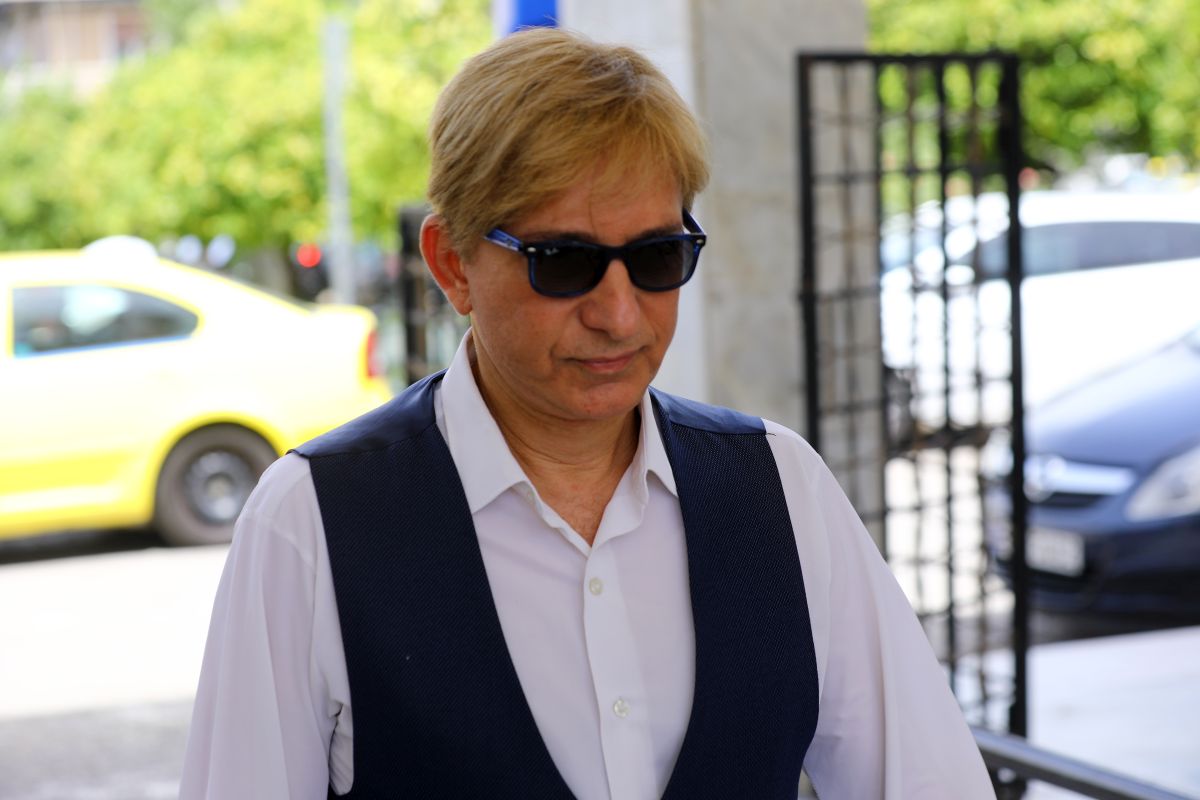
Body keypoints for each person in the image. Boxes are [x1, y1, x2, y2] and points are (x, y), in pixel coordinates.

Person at [180, 27, 996, 800]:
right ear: (452, 264)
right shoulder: (313, 523)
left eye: (656, 257)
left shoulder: (780, 491)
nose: (618, 314)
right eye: (563, 262)